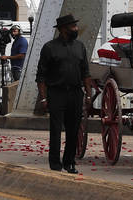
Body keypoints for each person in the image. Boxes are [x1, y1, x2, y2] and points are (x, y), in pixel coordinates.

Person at [35, 14, 94, 174]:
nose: (76, 29)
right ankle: (55, 163)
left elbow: (86, 73)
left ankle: (69, 162)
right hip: (56, 93)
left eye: (75, 26)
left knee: (73, 129)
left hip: (75, 93)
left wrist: (88, 95)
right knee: (55, 129)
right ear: (62, 29)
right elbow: (41, 76)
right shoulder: (49, 48)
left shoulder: (80, 46)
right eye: (72, 26)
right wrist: (43, 97)